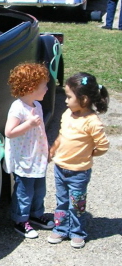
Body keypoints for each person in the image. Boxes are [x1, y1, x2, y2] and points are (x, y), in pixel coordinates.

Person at [47, 72, 110, 248]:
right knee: (62, 202)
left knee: (76, 205)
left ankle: (77, 232)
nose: (65, 101)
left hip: (79, 173)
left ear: (83, 99)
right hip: (60, 168)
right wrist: (53, 149)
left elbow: (103, 146)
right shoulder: (67, 114)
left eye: (68, 97)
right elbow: (61, 135)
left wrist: (89, 154)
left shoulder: (92, 122)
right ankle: (60, 229)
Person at [4, 62, 54, 239]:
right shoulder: (17, 108)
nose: (47, 89)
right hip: (24, 157)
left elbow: (39, 131)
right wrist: (28, 123)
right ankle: (20, 219)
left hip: (36, 155)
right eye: (44, 86)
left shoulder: (36, 105)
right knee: (25, 191)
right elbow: (9, 132)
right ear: (31, 87)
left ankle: (36, 213)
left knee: (39, 189)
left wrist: (46, 149)